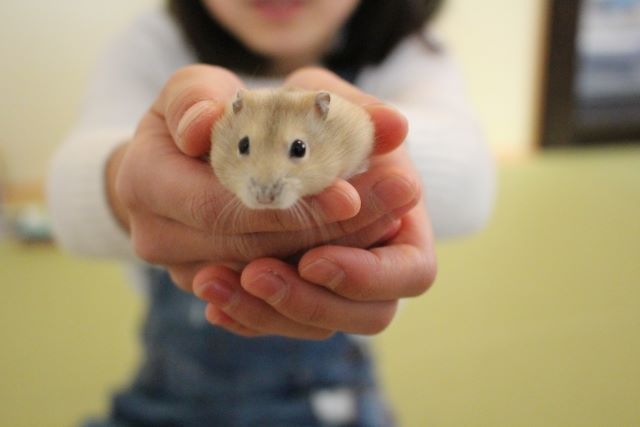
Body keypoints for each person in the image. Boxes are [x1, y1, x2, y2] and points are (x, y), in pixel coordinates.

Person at [47, 0, 495, 425]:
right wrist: (132, 180)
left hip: (330, 402)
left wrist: (379, 155)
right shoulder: (153, 44)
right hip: (164, 397)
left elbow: (470, 175)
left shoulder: (408, 53)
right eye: (245, 146)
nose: (264, 185)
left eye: (297, 148)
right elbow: (70, 185)